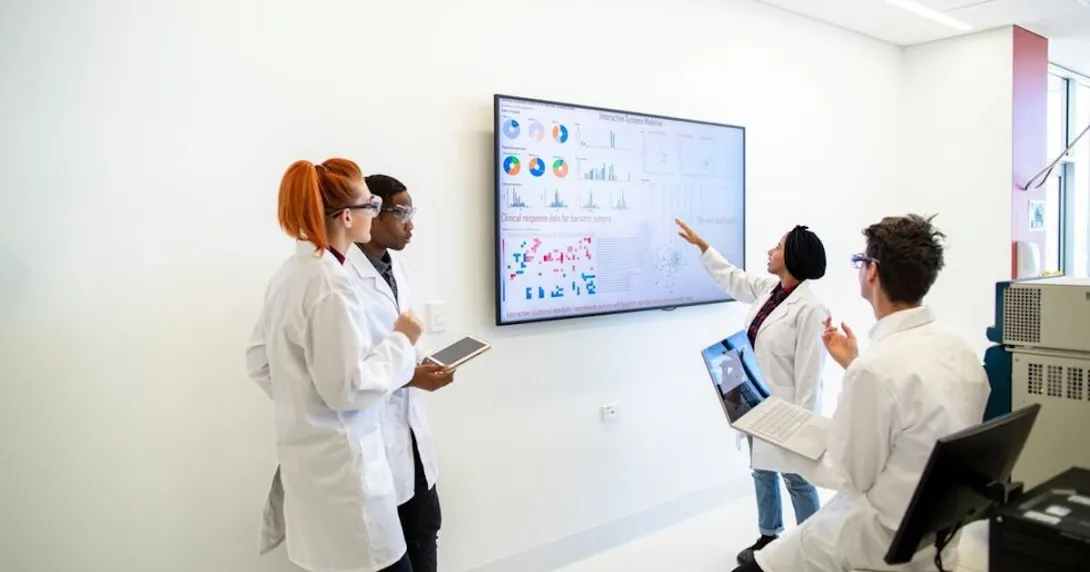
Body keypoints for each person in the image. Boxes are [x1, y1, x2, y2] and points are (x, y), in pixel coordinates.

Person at [737, 214, 992, 572]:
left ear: (871, 272)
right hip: (935, 541)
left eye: (859, 262)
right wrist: (854, 362)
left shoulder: (876, 369)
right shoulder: (960, 353)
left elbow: (847, 476)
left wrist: (775, 432)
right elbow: (913, 424)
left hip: (878, 541)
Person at [245, 158, 424, 572]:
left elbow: (259, 362)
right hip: (347, 477)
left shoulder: (291, 274)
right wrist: (402, 340)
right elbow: (348, 388)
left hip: (311, 468)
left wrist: (304, 404)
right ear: (348, 217)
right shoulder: (331, 285)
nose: (375, 213)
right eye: (371, 204)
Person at [676, 219, 828, 565]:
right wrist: (703, 246)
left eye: (777, 246)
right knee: (761, 470)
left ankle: (814, 545)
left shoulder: (811, 309)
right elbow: (734, 278)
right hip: (756, 403)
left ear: (792, 255)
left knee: (798, 479)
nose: (769, 251)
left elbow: (810, 375)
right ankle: (768, 535)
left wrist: (804, 428)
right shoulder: (769, 290)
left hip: (788, 410)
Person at [345, 173, 452, 572]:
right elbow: (348, 370)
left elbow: (405, 336)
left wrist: (423, 366)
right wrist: (411, 376)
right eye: (401, 212)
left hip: (409, 431)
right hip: (370, 434)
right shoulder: (341, 277)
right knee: (389, 553)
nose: (411, 223)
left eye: (412, 212)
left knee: (425, 531)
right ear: (372, 212)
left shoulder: (396, 267)